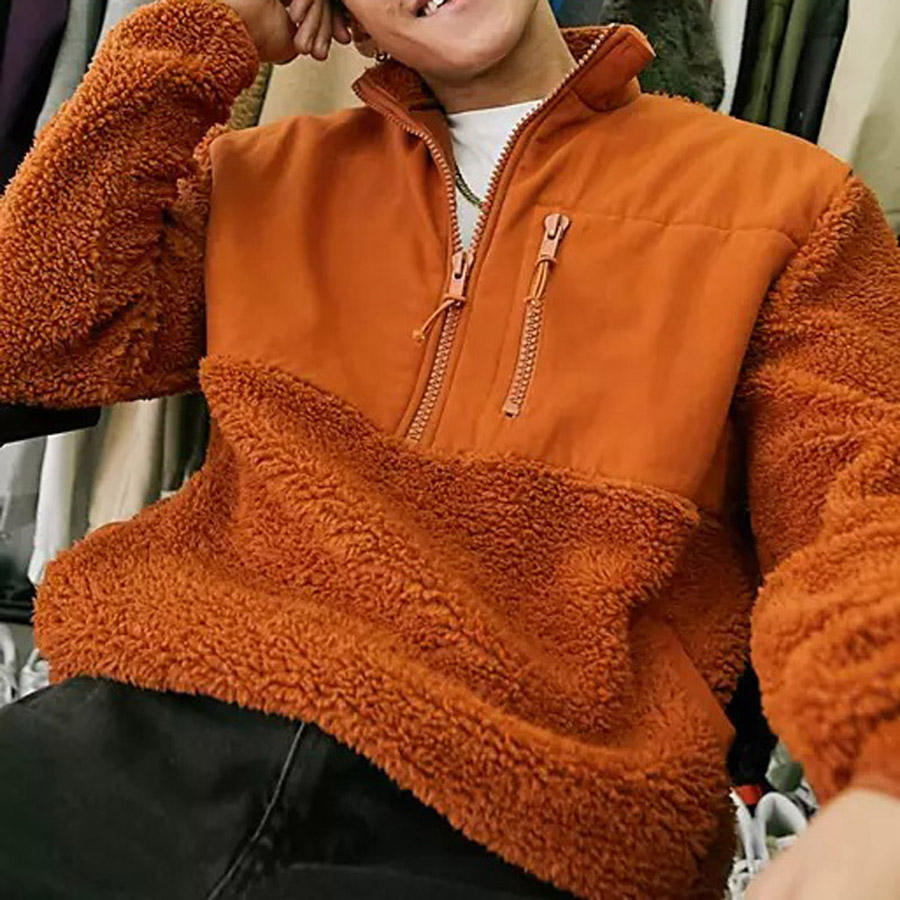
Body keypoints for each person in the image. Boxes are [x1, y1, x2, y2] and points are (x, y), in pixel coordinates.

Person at [0, 0, 897, 897]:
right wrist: (203, 30)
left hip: (527, 806)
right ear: (338, 15)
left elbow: (860, 506)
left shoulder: (787, 201)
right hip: (153, 720)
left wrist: (885, 777)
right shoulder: (259, 171)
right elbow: (34, 338)